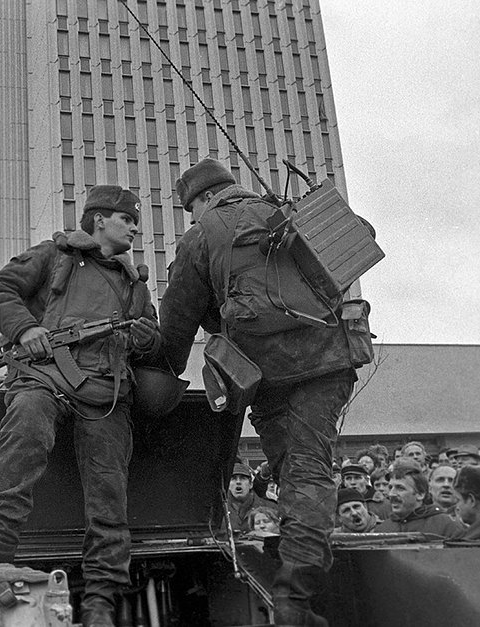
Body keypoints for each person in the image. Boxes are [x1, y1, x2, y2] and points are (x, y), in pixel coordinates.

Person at [154, 158, 370, 626]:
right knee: (308, 470)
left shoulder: (201, 236)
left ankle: (293, 600)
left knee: (293, 470)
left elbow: (175, 323)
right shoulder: (289, 209)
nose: (194, 217)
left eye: (192, 208)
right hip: (330, 360)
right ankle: (298, 591)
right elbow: (357, 243)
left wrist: (161, 378)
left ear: (203, 199)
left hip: (265, 376)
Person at [0, 185, 160, 627]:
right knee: (27, 419)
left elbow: (152, 336)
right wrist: (24, 331)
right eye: (126, 218)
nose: (135, 227)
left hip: (105, 391)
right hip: (45, 376)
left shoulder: (134, 284)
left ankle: (100, 601)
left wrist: (141, 336)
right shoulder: (54, 255)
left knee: (109, 492)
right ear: (98, 219)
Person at [377, 466, 464, 538]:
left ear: (420, 494)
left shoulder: (447, 526)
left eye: (400, 488)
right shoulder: (382, 530)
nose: (392, 494)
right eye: (390, 487)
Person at [224, 462, 273, 534]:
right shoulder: (218, 510)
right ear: (228, 485)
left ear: (250, 484)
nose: (238, 482)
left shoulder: (269, 508)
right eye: (233, 479)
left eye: (243, 478)